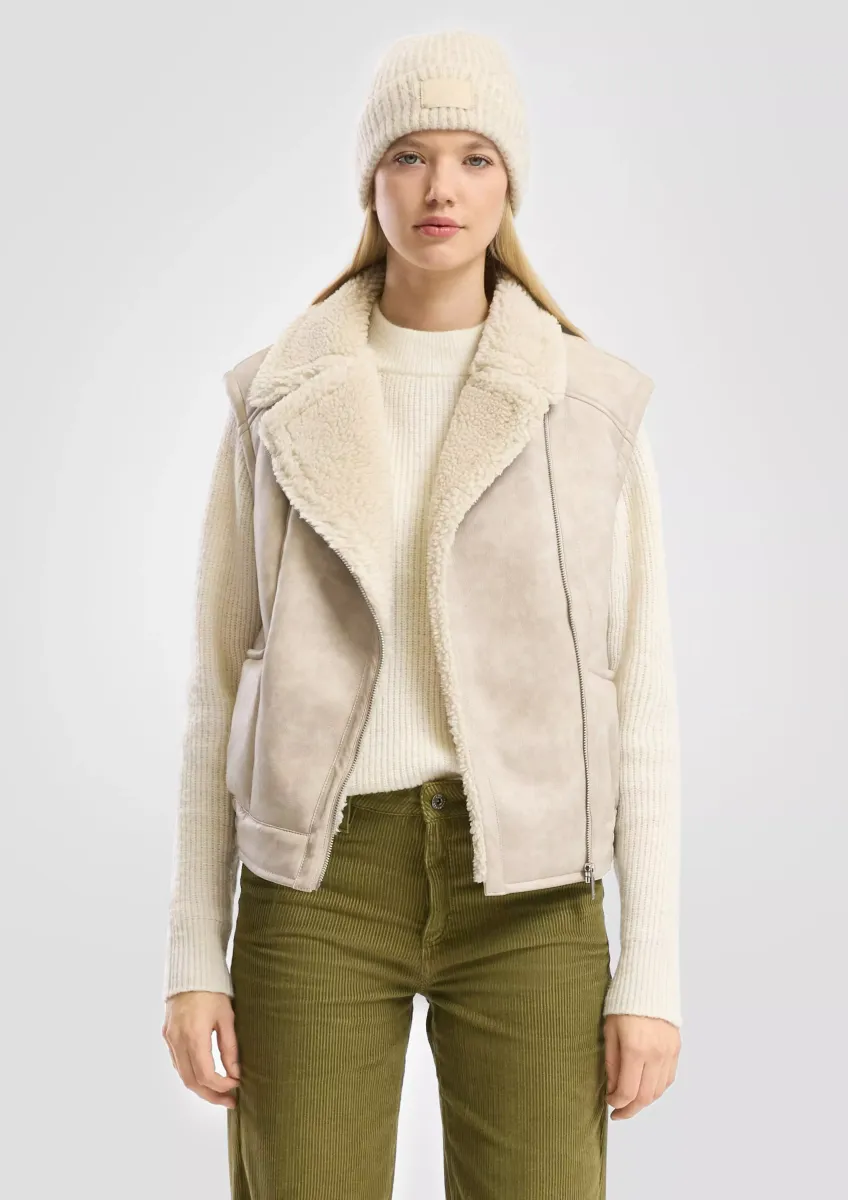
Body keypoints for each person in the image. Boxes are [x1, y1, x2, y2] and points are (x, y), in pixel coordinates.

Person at [161, 28, 682, 1199]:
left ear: (508, 184)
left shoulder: (586, 406)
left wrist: (650, 972)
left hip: (532, 894)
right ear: (370, 181)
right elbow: (216, 687)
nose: (440, 187)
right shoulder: (275, 401)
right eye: (407, 155)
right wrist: (195, 953)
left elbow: (639, 693)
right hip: (316, 885)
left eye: (473, 158)